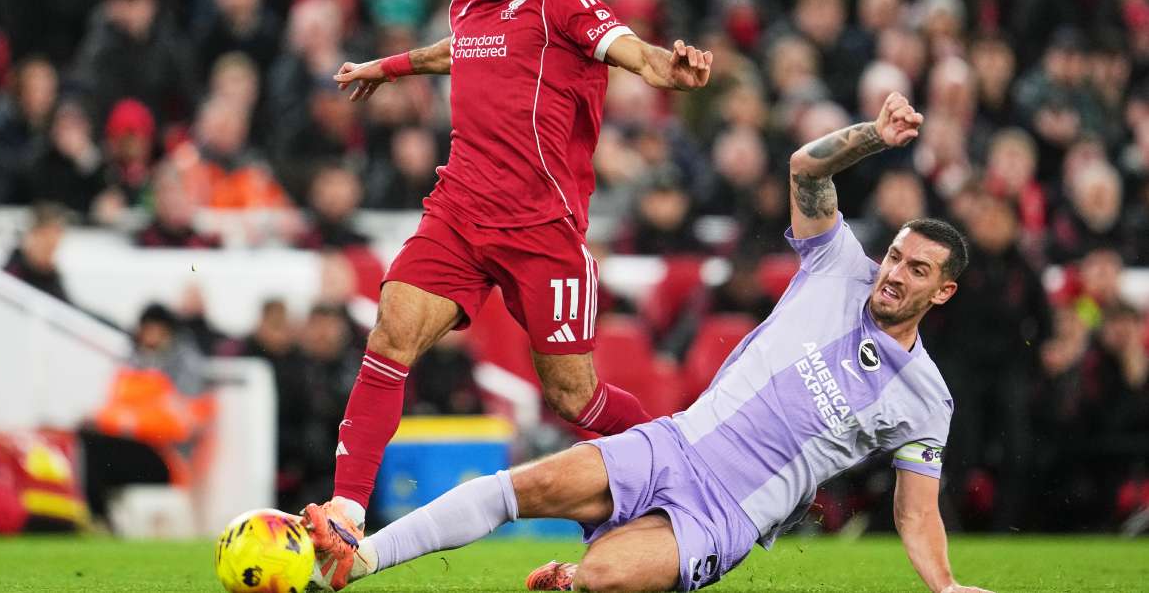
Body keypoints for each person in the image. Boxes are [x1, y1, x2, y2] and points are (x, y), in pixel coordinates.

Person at [303, 92, 992, 593]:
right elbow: (806, 170)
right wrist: (873, 135)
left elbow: (915, 510)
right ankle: (358, 561)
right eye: (896, 256)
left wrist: (946, 586)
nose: (894, 273)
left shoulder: (925, 398)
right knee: (527, 485)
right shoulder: (838, 265)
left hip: (726, 516)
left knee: (605, 578)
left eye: (917, 270)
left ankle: (574, 578)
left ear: (944, 292)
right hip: (676, 443)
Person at [318, 0, 714, 531]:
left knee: (574, 399)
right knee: (390, 337)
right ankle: (344, 516)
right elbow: (459, 51)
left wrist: (671, 70)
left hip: (542, 229)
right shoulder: (465, 4)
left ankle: (691, 470)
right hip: (459, 213)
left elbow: (634, 53)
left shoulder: (562, 0)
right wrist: (386, 68)